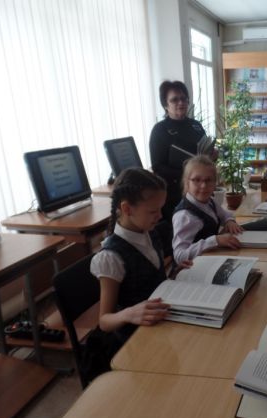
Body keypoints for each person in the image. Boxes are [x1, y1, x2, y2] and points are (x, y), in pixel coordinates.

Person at [90, 168, 190, 344]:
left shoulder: (150, 232)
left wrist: (172, 275)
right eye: (153, 211)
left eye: (160, 209)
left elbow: (150, 282)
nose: (160, 216)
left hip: (161, 324)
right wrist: (129, 314)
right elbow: (104, 321)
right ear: (127, 209)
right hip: (134, 339)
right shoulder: (111, 258)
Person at [149, 80, 208, 222]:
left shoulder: (196, 125)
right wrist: (188, 173)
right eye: (174, 100)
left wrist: (211, 156)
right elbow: (158, 167)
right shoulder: (159, 130)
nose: (180, 103)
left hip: (200, 189)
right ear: (165, 105)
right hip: (175, 194)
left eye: (183, 98)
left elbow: (204, 155)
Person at [172, 155, 243, 263]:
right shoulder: (184, 216)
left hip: (211, 259)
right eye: (197, 180)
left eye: (209, 180)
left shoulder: (209, 201)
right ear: (187, 182)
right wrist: (215, 241)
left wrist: (229, 221)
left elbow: (224, 214)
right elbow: (179, 256)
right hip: (194, 268)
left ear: (215, 183)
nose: (203, 185)